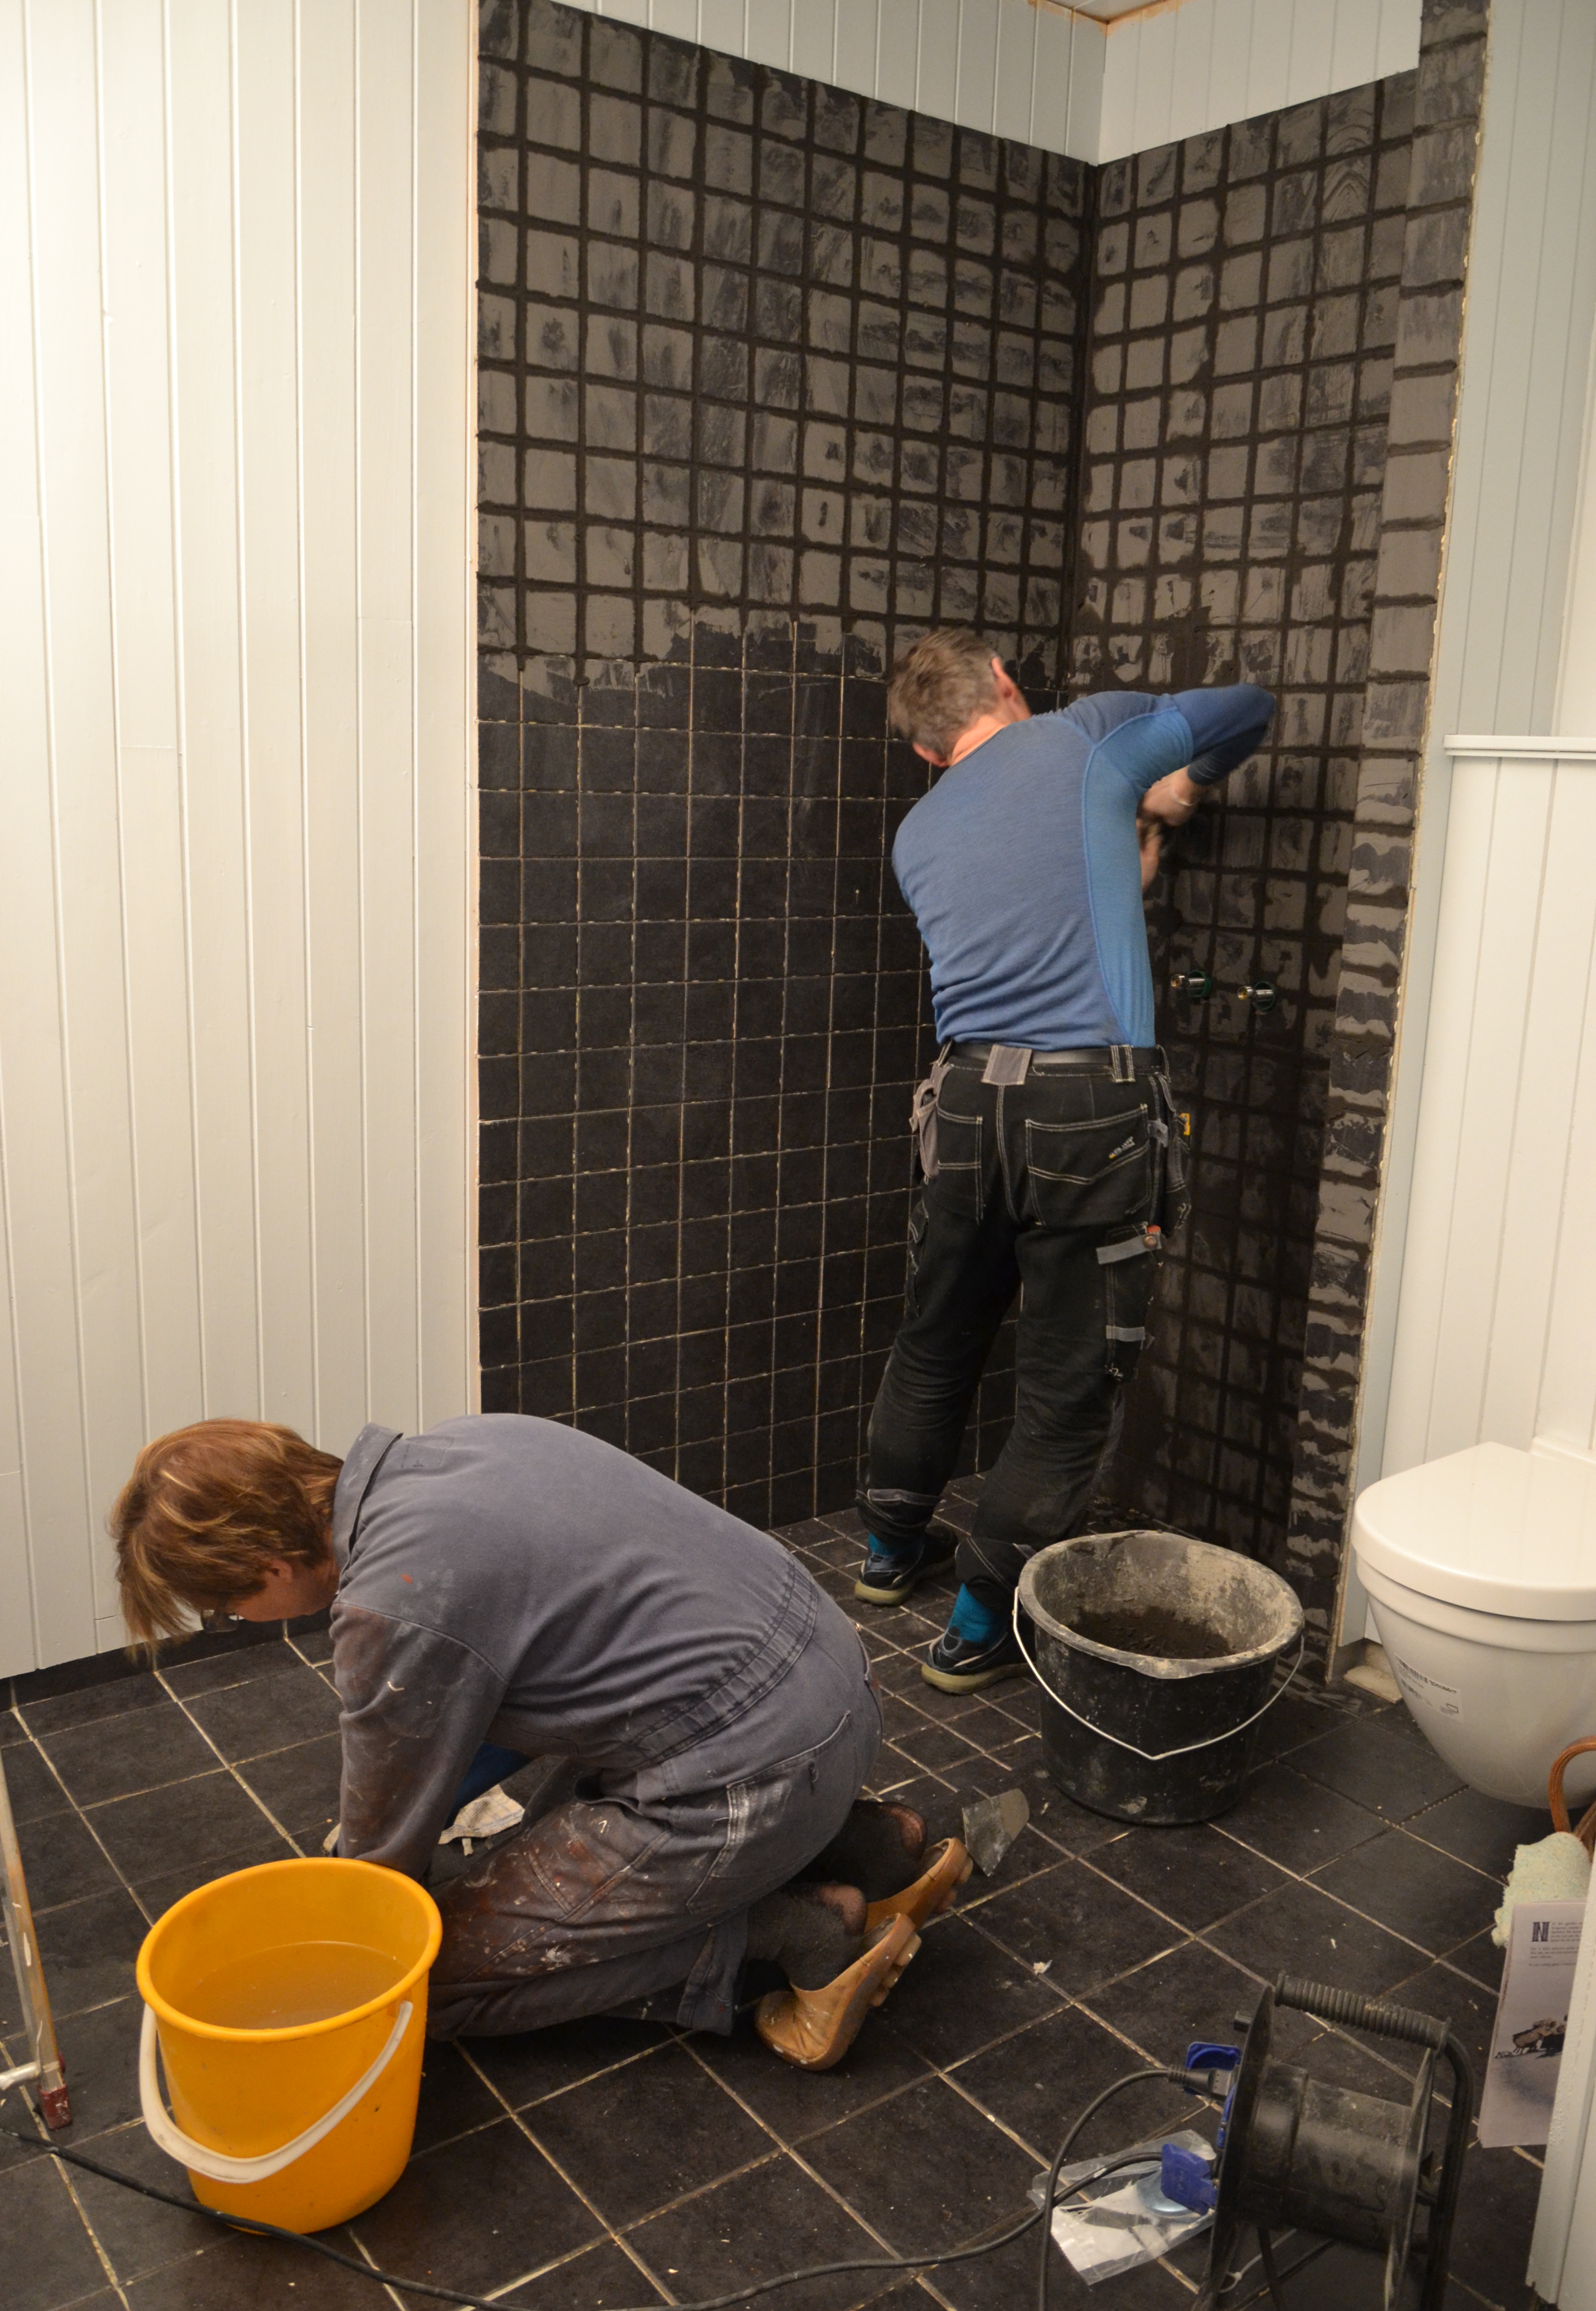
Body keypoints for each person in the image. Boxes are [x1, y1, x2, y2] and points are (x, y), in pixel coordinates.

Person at [112, 1414, 970, 2069]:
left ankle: (786, 1936)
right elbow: (490, 1701)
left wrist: (353, 1925)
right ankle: (867, 1849)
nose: (240, 1621)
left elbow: (381, 1874)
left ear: (268, 1566)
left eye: (228, 1608)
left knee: (425, 1990)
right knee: (547, 1837)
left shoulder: (393, 1602)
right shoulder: (476, 1442)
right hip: (838, 1693)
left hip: (756, 1777)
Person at [856, 630, 1276, 1695]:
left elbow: (1034, 906)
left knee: (936, 1340)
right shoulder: (1085, 738)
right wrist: (1179, 786)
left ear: (926, 752)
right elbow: (1247, 706)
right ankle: (980, 1622)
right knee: (1068, 1384)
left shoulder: (917, 832)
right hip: (1089, 1108)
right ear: (1006, 681)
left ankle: (889, 1554)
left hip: (962, 1103)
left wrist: (1122, 842)